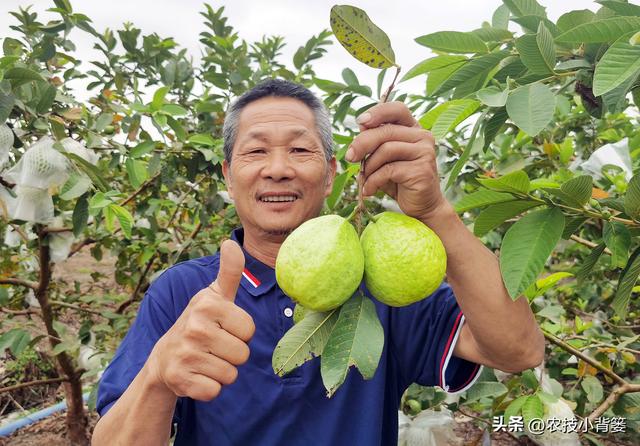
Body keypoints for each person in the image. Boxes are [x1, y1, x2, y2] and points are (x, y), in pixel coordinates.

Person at [92, 79, 544, 445]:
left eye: (299, 150)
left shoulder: (380, 286)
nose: (278, 168)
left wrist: (433, 213)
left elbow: (518, 350)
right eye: (255, 151)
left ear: (330, 173)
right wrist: (158, 377)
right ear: (229, 177)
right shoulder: (183, 292)